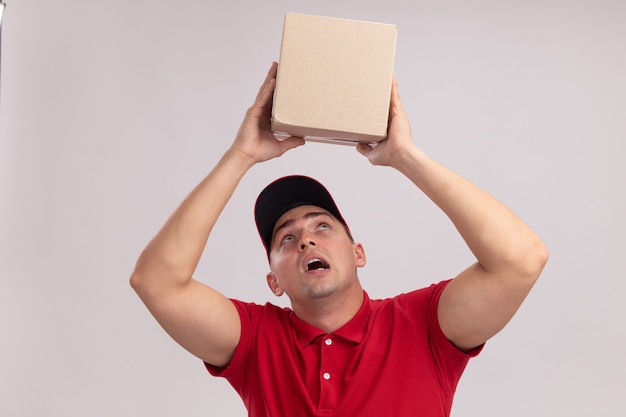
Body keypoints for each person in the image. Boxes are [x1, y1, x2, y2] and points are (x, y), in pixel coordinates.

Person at [130, 62, 548, 416]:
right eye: (287, 239)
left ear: (358, 252)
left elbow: (523, 260)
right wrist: (240, 156)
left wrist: (406, 157)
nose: (306, 242)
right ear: (273, 280)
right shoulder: (256, 340)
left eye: (321, 226)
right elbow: (156, 282)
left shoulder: (423, 325)